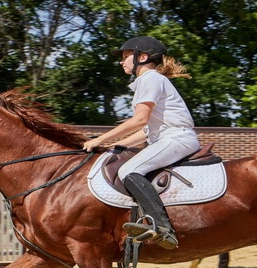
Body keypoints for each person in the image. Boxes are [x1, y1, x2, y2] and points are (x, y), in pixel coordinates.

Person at [83, 36, 200, 250]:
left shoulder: (150, 79)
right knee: (127, 164)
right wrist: (116, 146)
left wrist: (100, 138)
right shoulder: (149, 80)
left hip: (176, 137)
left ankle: (163, 228)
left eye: (126, 56)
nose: (122, 61)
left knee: (128, 171)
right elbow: (146, 132)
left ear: (142, 57)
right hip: (169, 137)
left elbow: (139, 120)